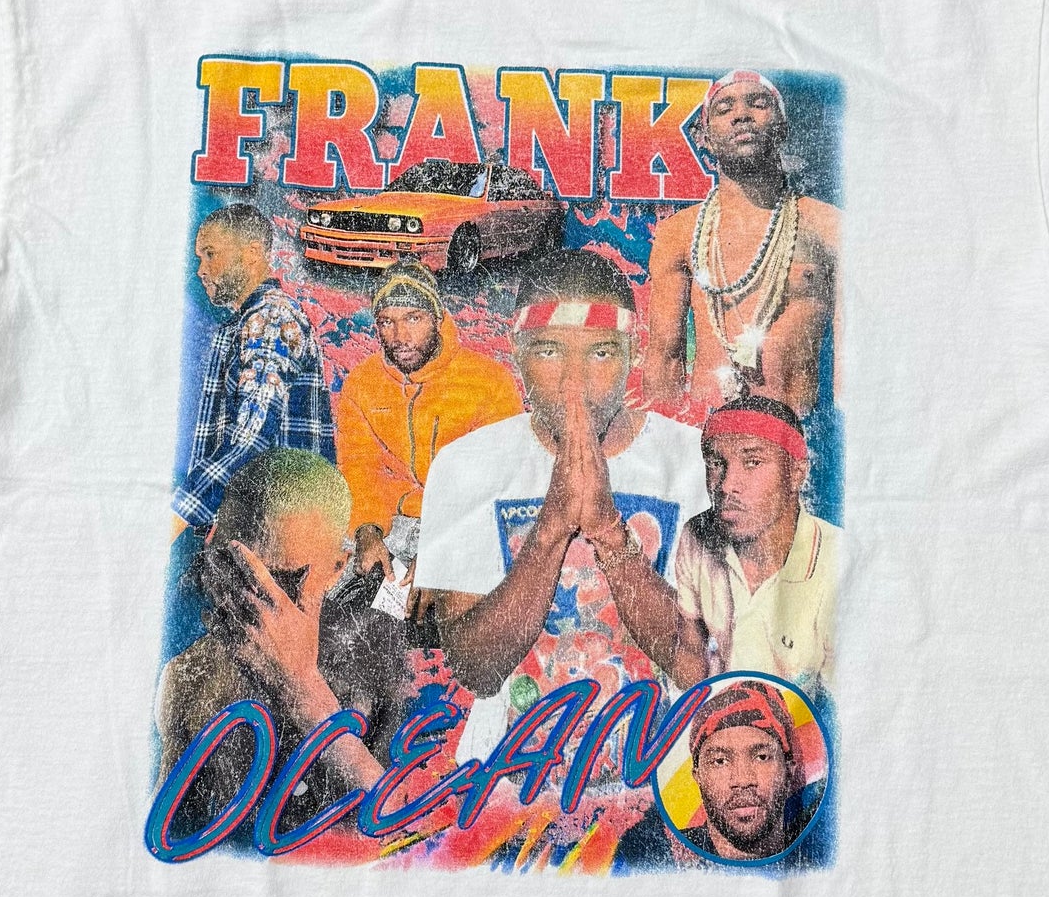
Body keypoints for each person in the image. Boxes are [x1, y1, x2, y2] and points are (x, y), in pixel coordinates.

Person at [413, 249, 709, 763]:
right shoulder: (466, 465)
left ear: (634, 351)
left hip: (664, 777)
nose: (575, 383)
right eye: (549, 351)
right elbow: (477, 669)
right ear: (515, 353)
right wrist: (553, 524)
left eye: (601, 353)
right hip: (507, 778)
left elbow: (695, 663)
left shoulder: (693, 461)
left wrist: (607, 529)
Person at [156, 449, 407, 848]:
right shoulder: (187, 676)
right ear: (212, 542)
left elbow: (418, 833)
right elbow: (165, 839)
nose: (251, 598)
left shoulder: (380, 656)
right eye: (233, 568)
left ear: (336, 568)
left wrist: (305, 693)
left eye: (280, 580)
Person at [641, 70, 839, 416]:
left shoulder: (829, 227)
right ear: (704, 138)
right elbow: (664, 359)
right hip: (706, 433)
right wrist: (666, 441)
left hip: (796, 433)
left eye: (758, 104)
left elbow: (853, 357)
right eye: (724, 109)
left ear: (783, 128)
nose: (741, 115)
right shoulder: (678, 233)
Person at [332, 263, 522, 550]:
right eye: (387, 322)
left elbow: (498, 482)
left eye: (413, 318)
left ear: (437, 318)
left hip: (467, 524)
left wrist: (438, 551)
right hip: (391, 519)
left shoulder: (489, 381)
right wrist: (367, 530)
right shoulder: (362, 383)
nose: (400, 337)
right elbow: (359, 467)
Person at [663, 394, 840, 696]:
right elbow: (690, 653)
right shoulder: (697, 534)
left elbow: (851, 704)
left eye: (753, 462)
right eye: (716, 463)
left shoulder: (838, 560)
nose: (727, 485)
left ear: (796, 474)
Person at [173, 202, 334, 530]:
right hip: (261, 528)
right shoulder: (247, 321)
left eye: (210, 254)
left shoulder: (270, 318)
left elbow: (253, 431)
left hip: (275, 532)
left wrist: (178, 515)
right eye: (199, 258)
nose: (201, 270)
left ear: (252, 253)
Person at [613, 678, 828, 872]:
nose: (742, 780)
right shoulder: (650, 860)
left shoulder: (817, 865)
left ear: (789, 770)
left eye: (761, 757)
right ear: (697, 775)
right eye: (720, 761)